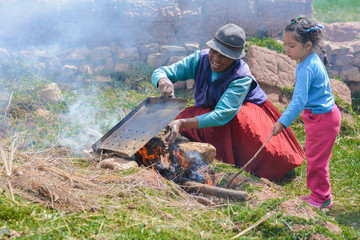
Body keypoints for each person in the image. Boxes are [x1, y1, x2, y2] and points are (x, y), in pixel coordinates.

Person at [152, 23, 305, 181]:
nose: (216, 59)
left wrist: (183, 123)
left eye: (224, 56)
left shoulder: (241, 77)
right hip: (210, 110)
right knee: (187, 126)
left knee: (270, 156)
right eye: (214, 52)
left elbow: (221, 115)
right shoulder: (200, 59)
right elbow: (161, 72)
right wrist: (163, 80)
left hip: (242, 114)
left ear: (235, 58)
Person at [272, 16, 341, 209]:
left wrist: (282, 122)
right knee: (313, 156)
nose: (287, 50)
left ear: (308, 44)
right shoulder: (309, 59)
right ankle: (317, 193)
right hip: (320, 116)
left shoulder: (306, 67)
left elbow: (299, 101)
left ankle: (322, 198)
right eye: (285, 44)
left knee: (316, 160)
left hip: (323, 118)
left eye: (291, 45)